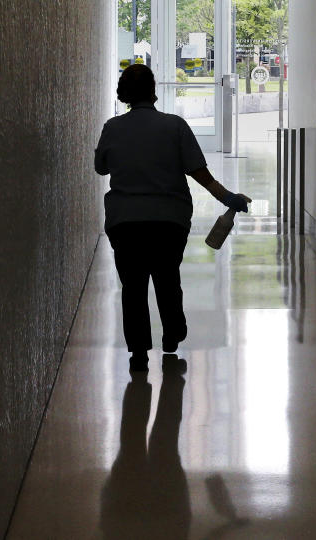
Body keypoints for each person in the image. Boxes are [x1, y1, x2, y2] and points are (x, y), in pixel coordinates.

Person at [95, 64, 251, 371]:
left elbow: (101, 168)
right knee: (167, 279)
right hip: (169, 221)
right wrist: (228, 198)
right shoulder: (175, 126)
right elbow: (200, 174)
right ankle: (172, 334)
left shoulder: (113, 128)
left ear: (124, 93)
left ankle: (138, 353)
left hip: (124, 222)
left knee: (133, 286)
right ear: (153, 90)